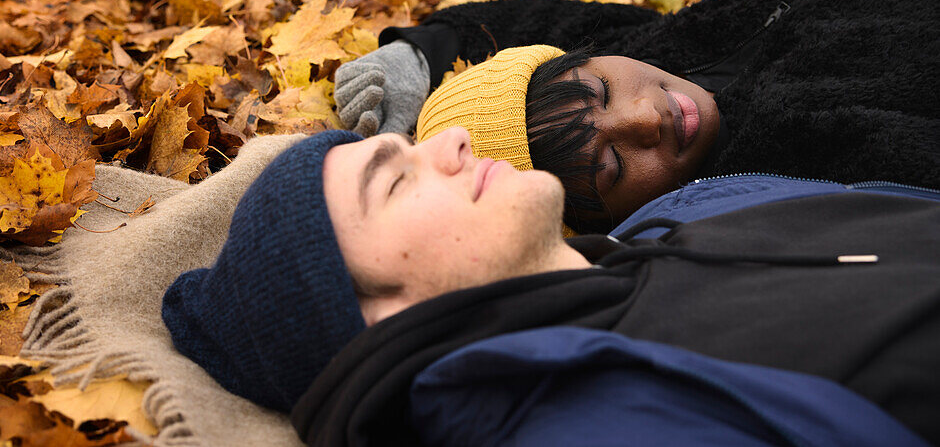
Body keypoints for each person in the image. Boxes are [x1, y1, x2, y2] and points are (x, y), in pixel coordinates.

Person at [162, 128, 940, 447]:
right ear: (370, 315)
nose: (451, 142)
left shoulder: (682, 209)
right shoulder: (600, 420)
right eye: (394, 183)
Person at [333, 0, 940, 231]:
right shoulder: (804, 164)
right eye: (615, 165)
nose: (646, 115)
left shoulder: (661, 47)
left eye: (599, 88)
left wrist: (423, 48)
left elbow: (549, 24)